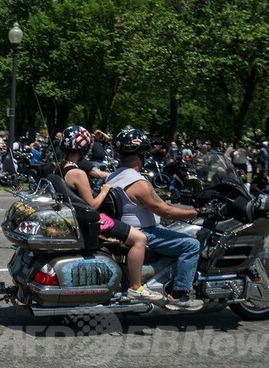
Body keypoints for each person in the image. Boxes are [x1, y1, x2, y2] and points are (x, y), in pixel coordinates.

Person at [58, 125, 162, 303]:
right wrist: (105, 190)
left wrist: (116, 176)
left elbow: (97, 173)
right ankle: (136, 287)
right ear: (84, 148)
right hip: (92, 220)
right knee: (139, 239)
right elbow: (92, 204)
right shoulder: (78, 173)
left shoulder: (60, 168)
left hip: (78, 218)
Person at [107, 127, 205, 311]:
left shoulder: (114, 176)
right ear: (141, 155)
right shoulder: (138, 182)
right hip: (145, 232)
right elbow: (165, 212)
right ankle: (179, 295)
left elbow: (147, 203)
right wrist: (197, 212)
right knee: (191, 245)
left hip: (124, 229)